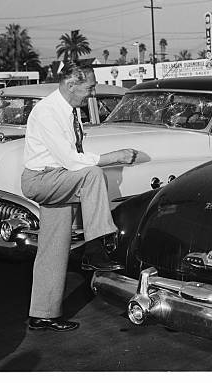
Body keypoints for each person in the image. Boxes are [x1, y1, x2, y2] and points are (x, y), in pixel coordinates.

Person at [20, 63, 136, 332]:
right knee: (93, 175)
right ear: (71, 84)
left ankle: (43, 314)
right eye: (90, 88)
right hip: (43, 180)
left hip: (58, 178)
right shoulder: (48, 112)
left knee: (53, 248)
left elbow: (72, 157)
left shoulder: (69, 111)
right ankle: (97, 247)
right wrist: (114, 157)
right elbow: (72, 161)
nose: (92, 94)